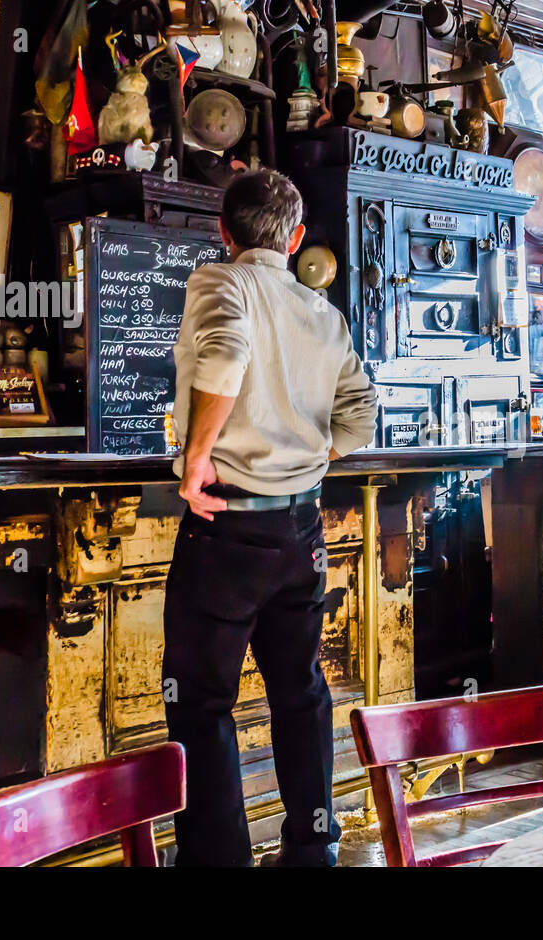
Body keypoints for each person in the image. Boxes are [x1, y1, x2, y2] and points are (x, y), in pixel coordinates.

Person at [164, 168, 378, 867]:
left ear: (223, 233)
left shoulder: (220, 282)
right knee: (300, 690)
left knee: (201, 703)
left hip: (226, 526)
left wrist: (197, 458)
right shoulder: (322, 312)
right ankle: (313, 846)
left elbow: (226, 354)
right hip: (301, 530)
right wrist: (310, 455)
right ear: (293, 238)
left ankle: (218, 860)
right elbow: (362, 417)